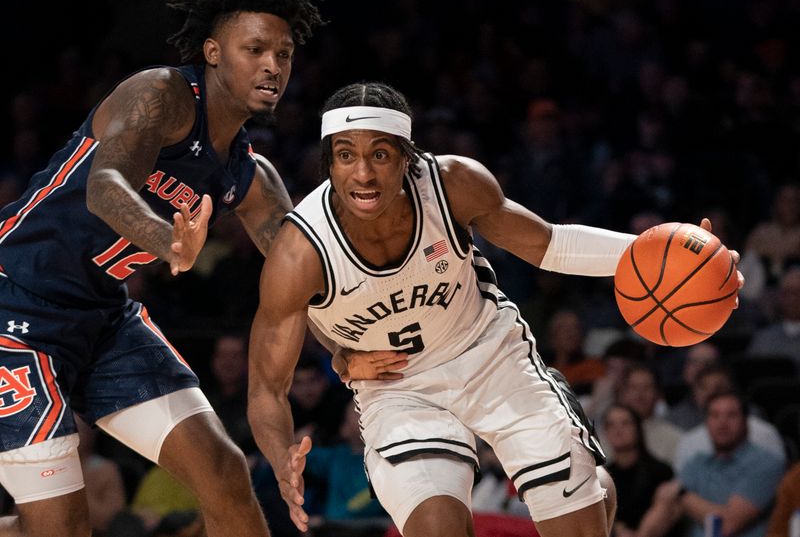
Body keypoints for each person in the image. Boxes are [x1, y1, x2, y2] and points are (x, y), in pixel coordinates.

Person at [247, 82, 739, 537]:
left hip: (490, 356)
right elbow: (267, 386)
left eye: (380, 153)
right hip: (399, 389)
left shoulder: (452, 184)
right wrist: (282, 454)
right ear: (328, 163)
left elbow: (552, 245)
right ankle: (580, 468)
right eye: (345, 155)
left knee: (579, 526)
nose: (363, 172)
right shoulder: (299, 252)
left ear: (406, 157)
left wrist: (671, 257)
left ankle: (591, 482)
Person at [0, 0, 323, 537]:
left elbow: (307, 279)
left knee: (224, 471)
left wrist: (354, 349)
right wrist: (168, 241)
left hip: (104, 318)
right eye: (256, 50)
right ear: (214, 52)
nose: (273, 65)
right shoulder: (163, 95)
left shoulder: (253, 177)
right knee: (63, 527)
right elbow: (105, 185)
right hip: (15, 303)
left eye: (284, 54)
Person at [642, 391, 784, 537]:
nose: (722, 422)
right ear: (707, 422)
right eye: (715, 415)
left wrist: (681, 493)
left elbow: (726, 525)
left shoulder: (766, 463)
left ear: (745, 420)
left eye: (731, 415)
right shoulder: (697, 463)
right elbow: (664, 505)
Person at [601, 404, 675, 537]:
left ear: (638, 429)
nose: (618, 430)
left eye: (625, 423)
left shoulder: (660, 472)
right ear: (605, 433)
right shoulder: (602, 477)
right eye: (611, 425)